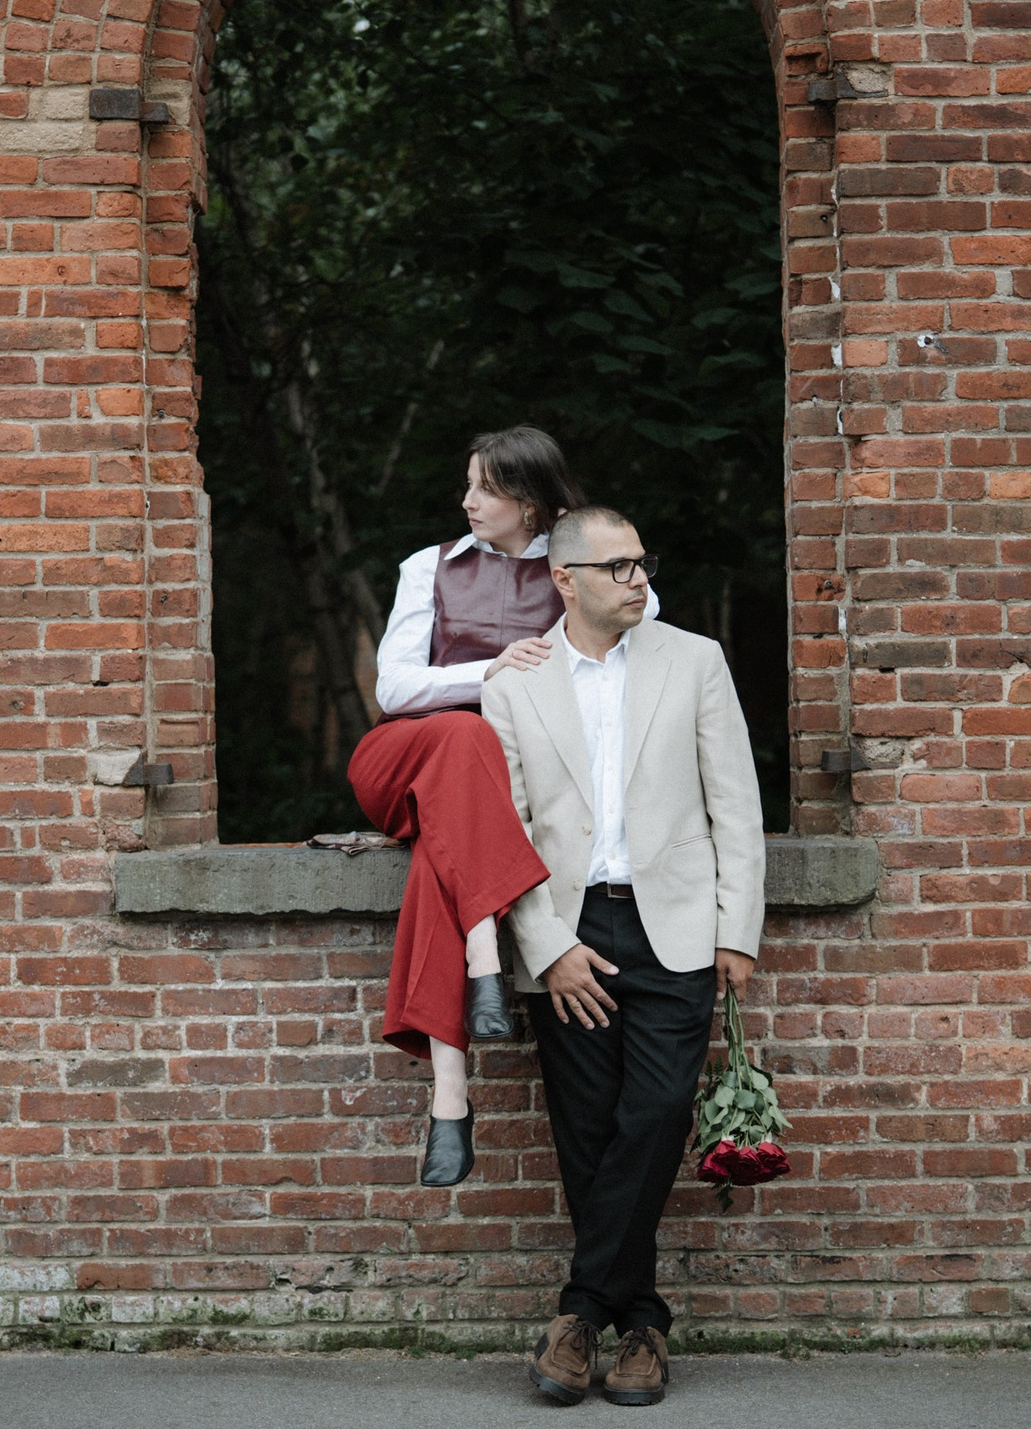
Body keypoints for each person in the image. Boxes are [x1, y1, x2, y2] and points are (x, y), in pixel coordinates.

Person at [481, 504, 766, 1408]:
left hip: (674, 927)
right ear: (565, 579)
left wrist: (736, 930)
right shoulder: (514, 685)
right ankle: (639, 1322)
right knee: (587, 1131)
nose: (639, 579)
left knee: (652, 1115)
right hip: (569, 933)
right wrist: (548, 944)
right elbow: (511, 830)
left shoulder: (695, 660)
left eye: (643, 562)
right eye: (619, 567)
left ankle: (577, 1309)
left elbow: (737, 804)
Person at [346, 426, 658, 1188]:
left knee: (439, 864)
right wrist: (496, 671)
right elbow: (392, 689)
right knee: (463, 736)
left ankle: (449, 1098)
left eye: (483, 488)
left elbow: (645, 657)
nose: (467, 501)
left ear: (528, 501)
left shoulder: (584, 568)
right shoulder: (431, 568)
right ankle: (482, 956)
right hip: (406, 759)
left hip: (504, 794)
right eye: (467, 484)